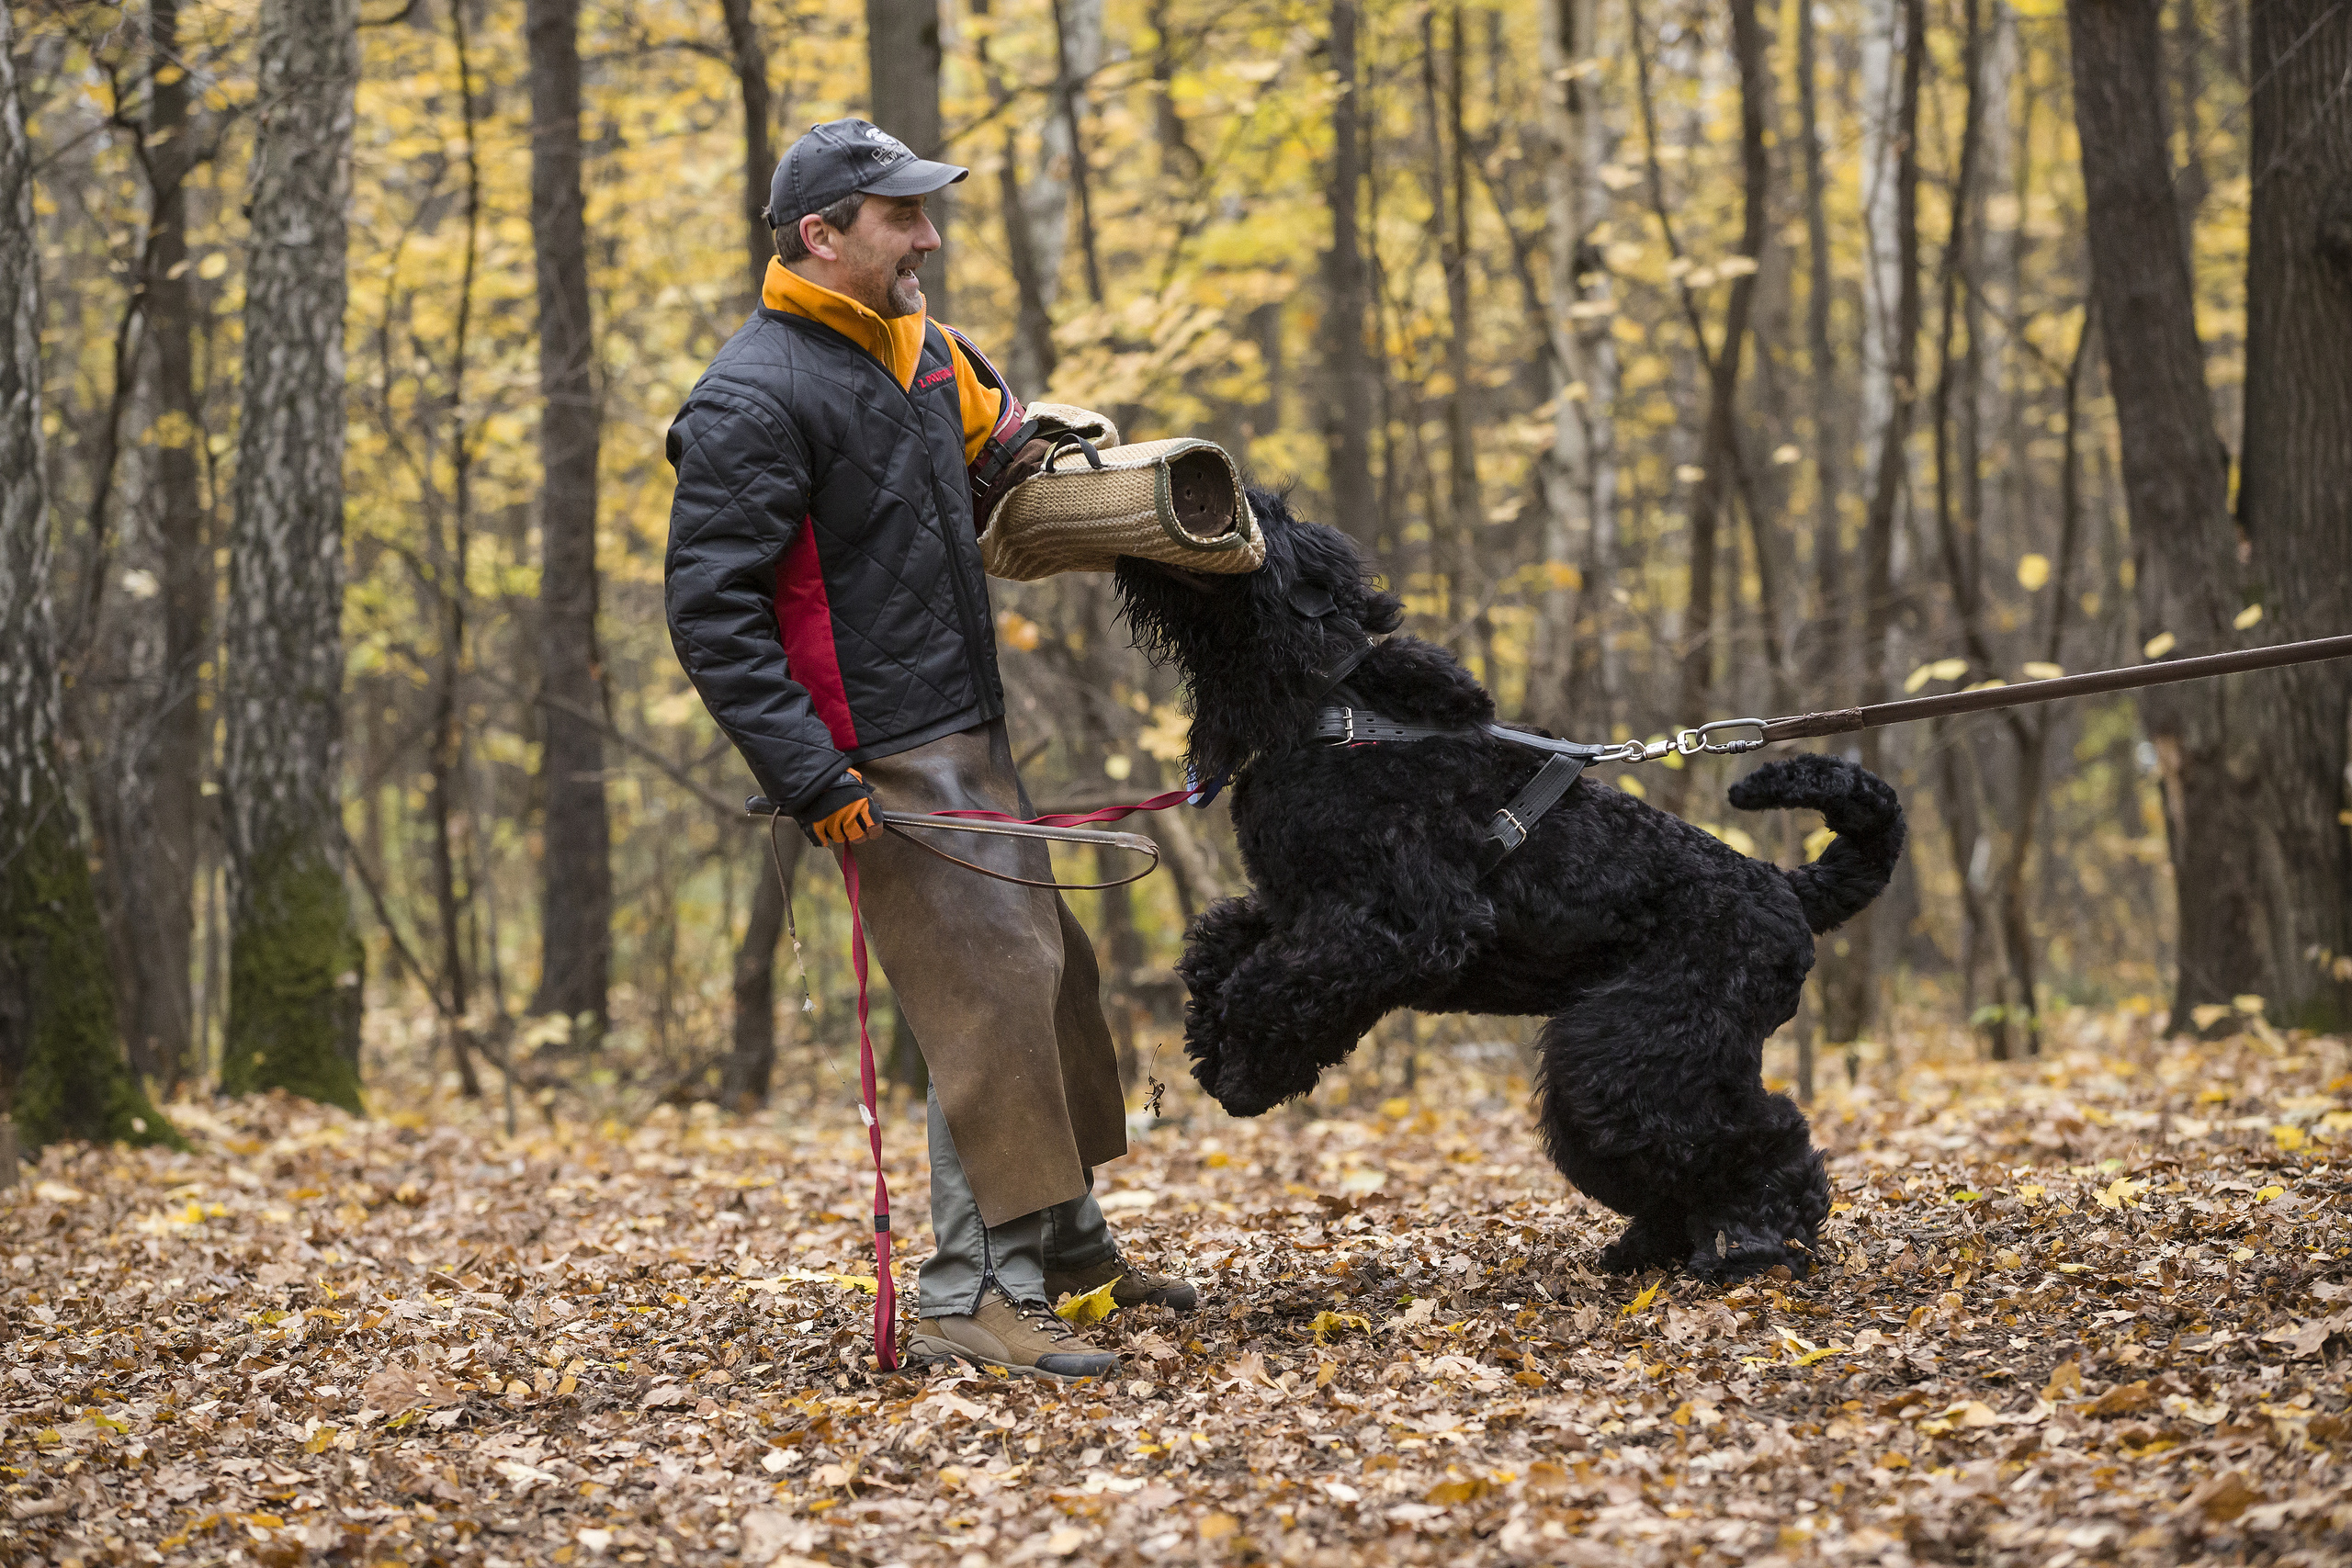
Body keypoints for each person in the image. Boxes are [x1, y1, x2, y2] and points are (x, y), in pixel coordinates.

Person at [662, 119, 1195, 1382]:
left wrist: (1067, 457)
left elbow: (1001, 454)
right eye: (901, 216)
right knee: (987, 1007)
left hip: (972, 725)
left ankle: (1067, 1257)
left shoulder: (926, 354)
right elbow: (711, 611)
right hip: (870, 759)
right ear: (822, 235)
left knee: (1051, 981)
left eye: (925, 210)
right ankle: (971, 1291)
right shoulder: (750, 395)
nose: (929, 235)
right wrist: (809, 777)